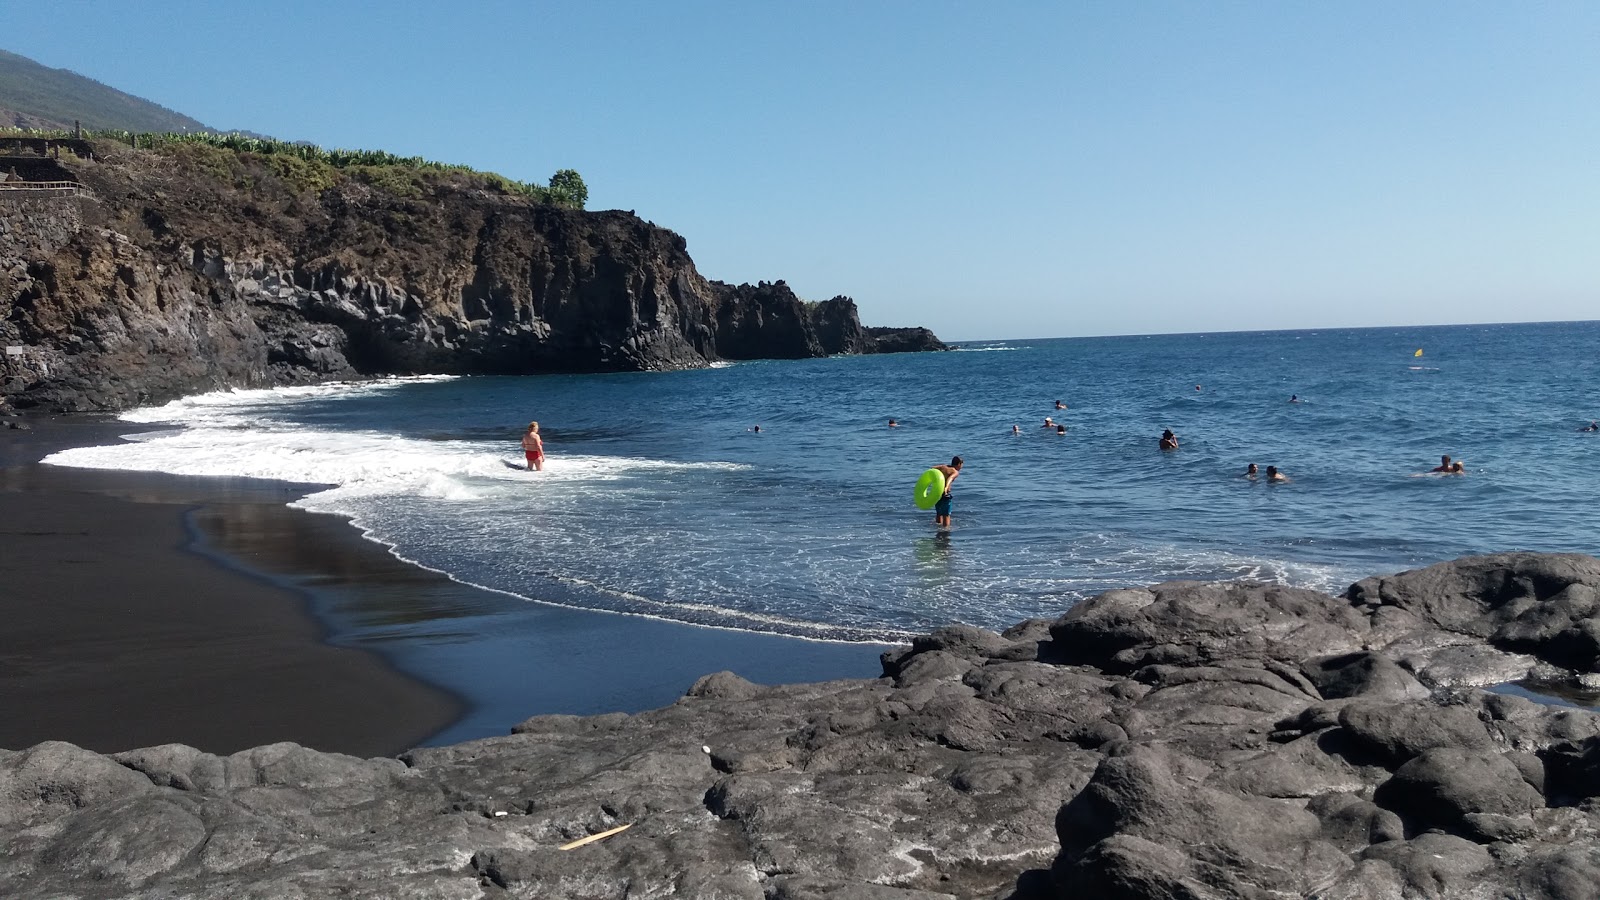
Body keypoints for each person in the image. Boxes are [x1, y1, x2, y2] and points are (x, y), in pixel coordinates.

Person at [931, 456, 963, 527]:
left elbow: (932, 468)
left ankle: (938, 528)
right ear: (959, 464)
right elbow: (950, 478)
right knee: (946, 515)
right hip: (945, 494)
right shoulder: (955, 471)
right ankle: (946, 531)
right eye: (961, 465)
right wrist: (946, 487)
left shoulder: (943, 467)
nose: (961, 468)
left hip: (937, 492)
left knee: (939, 513)